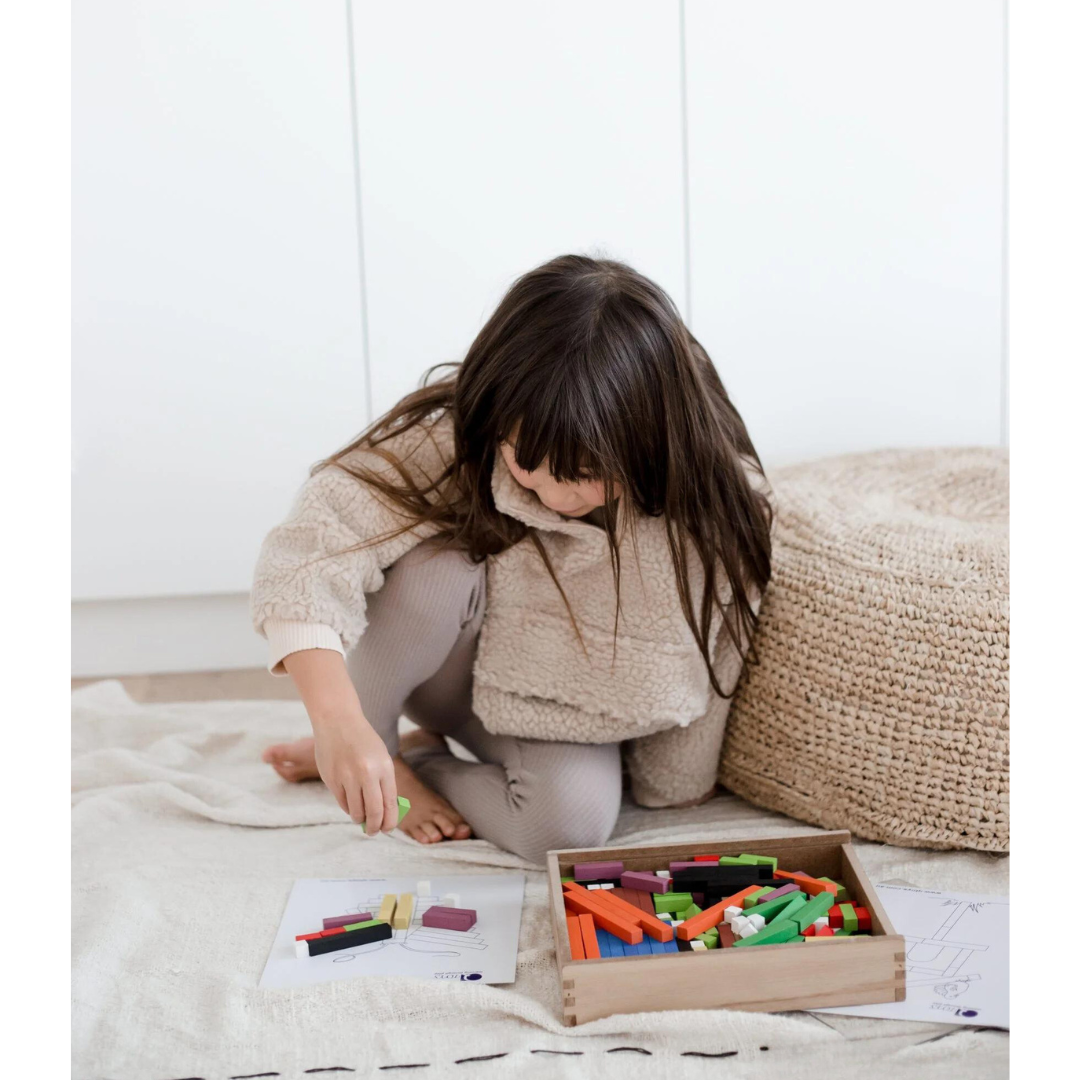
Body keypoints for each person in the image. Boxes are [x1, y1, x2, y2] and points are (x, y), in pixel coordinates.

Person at [252, 254, 774, 863]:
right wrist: (339, 722)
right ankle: (366, 748)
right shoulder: (459, 437)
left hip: (554, 703)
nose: (551, 496)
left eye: (581, 476)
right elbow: (311, 551)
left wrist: (675, 786)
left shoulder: (719, 508)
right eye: (525, 463)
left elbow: (718, 649)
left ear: (649, 441)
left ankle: (414, 759)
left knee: (569, 826)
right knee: (435, 570)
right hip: (444, 660)